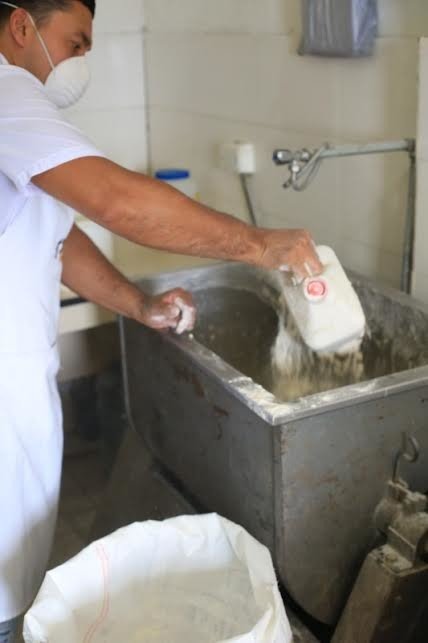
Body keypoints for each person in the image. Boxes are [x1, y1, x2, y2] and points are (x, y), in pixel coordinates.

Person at [0, 0, 322, 639]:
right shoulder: (6, 94)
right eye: (77, 41)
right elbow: (116, 201)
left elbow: (57, 236)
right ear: (20, 25)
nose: (81, 62)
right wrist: (260, 244)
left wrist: (137, 302)